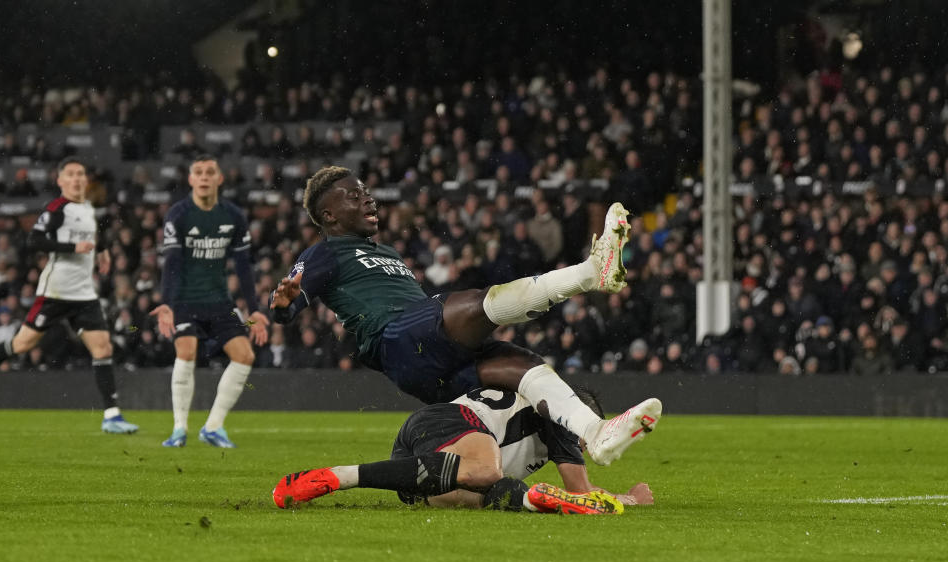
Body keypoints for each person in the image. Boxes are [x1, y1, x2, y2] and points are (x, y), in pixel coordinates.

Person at [271, 166, 660, 467]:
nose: (368, 200)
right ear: (329, 215)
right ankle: (591, 273)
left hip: (432, 365)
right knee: (473, 303)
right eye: (354, 197)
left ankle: (595, 433)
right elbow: (289, 305)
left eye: (367, 192)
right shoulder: (324, 252)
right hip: (397, 340)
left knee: (524, 364)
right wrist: (284, 304)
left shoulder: (385, 251)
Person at [272, 386, 655, 514]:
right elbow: (581, 494)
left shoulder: (543, 407)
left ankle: (528, 501)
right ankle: (342, 476)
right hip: (450, 422)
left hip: (422, 453)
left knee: (479, 496)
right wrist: (632, 499)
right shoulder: (560, 414)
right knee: (487, 473)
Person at [0, 157, 138, 434]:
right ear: (60, 181)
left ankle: (112, 416)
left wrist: (102, 251)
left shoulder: (87, 208)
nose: (78, 178)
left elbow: (93, 235)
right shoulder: (57, 208)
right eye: (71, 174)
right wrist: (71, 247)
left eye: (81, 174)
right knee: (22, 344)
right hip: (55, 291)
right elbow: (35, 240)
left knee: (103, 347)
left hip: (83, 294)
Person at [150, 155, 269, 448]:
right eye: (199, 172)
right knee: (187, 352)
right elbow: (172, 262)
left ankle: (213, 427)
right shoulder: (178, 215)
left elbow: (243, 266)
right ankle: (179, 429)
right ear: (191, 179)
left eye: (210, 172)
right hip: (185, 300)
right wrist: (167, 303)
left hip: (218, 300)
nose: (204, 177)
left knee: (245, 356)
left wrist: (254, 308)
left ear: (219, 179)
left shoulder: (233, 215)